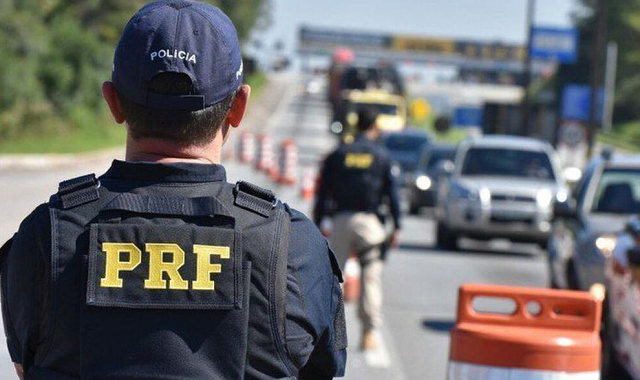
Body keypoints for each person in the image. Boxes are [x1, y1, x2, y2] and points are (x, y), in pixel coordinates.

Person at [0, 1, 346, 379]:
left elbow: (24, 367)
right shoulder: (293, 246)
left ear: (113, 102)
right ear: (239, 106)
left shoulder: (43, 235)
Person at [313, 107, 402, 351]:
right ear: (375, 127)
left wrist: (319, 220)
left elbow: (323, 192)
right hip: (370, 224)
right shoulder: (382, 156)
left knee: (332, 279)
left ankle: (324, 334)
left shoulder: (339, 154)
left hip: (341, 220)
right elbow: (392, 194)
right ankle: (369, 333)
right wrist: (398, 226)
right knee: (371, 277)